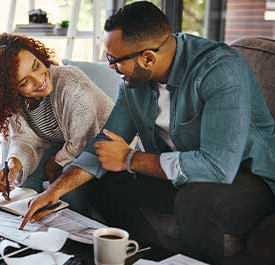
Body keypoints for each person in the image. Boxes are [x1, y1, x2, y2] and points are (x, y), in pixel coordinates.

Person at [20, 2, 275, 264]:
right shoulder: (134, 83)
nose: (111, 67)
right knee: (104, 182)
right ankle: (145, 255)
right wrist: (54, 191)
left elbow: (218, 167)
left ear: (148, 58)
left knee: (195, 201)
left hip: (247, 180)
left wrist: (130, 159)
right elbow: (104, 144)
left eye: (114, 60)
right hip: (183, 177)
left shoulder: (220, 71)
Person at [0, 33, 114, 213]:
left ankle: (75, 228)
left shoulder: (71, 85)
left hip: (101, 148)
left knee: (64, 175)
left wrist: (54, 163)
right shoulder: (17, 101)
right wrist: (13, 165)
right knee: (26, 180)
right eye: (24, 82)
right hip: (67, 145)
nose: (38, 80)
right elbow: (26, 139)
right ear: (11, 90)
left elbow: (82, 142)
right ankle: (25, 222)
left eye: (36, 66)